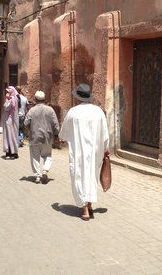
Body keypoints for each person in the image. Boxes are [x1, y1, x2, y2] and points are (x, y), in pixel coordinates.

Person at [59, 83, 109, 221]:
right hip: (95, 152)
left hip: (78, 151)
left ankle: (85, 209)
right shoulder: (98, 112)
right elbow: (105, 134)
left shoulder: (73, 112)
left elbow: (63, 133)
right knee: (91, 175)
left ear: (78, 97)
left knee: (79, 175)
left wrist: (62, 138)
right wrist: (105, 148)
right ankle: (90, 205)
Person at [24, 91, 59, 184]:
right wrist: (56, 134)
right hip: (47, 137)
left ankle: (37, 176)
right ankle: (45, 170)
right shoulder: (50, 110)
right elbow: (56, 124)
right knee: (47, 155)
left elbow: (26, 123)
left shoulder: (32, 110)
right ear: (44, 99)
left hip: (35, 137)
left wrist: (28, 132)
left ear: (35, 100)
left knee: (35, 157)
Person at [2, 86, 19, 159]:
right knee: (13, 136)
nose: (7, 93)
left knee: (8, 136)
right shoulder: (16, 98)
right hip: (13, 120)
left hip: (9, 120)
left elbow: (6, 108)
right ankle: (14, 152)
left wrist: (7, 99)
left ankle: (9, 152)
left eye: (8, 92)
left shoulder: (11, 99)